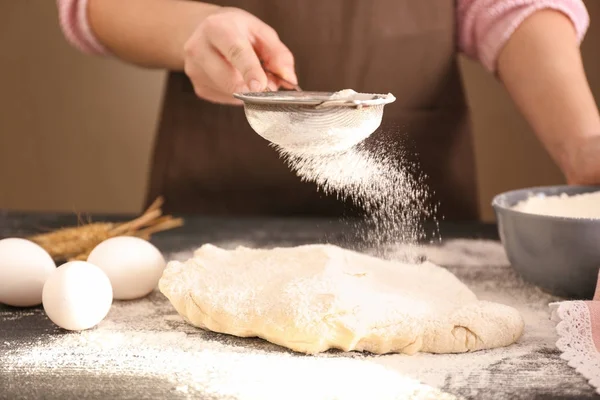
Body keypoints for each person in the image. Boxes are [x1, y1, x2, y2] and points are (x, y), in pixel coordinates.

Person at [55, 0, 600, 220]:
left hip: (420, 248)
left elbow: (514, 6)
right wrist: (194, 32)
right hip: (212, 212)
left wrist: (584, 146)